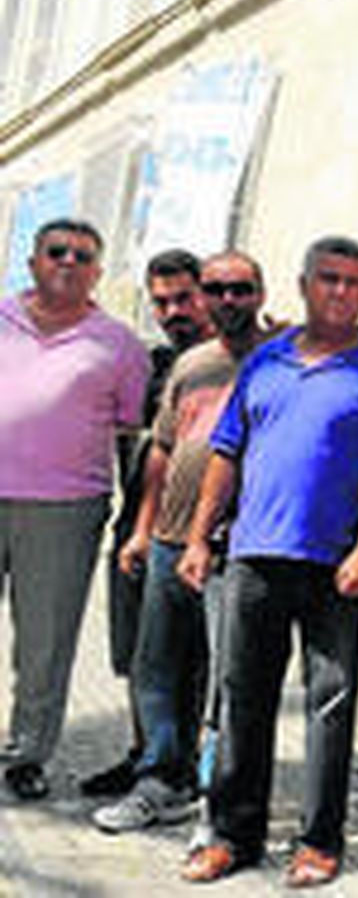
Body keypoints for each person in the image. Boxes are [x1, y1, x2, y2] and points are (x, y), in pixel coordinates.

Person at [175, 235, 358, 887]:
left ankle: (319, 841)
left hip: (335, 565)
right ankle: (233, 834)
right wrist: (201, 538)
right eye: (330, 279)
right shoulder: (266, 363)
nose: (342, 291)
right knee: (242, 699)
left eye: (354, 282)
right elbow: (227, 450)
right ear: (304, 284)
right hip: (255, 555)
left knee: (330, 704)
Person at [92, 250, 275, 833]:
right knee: (155, 667)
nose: (225, 301)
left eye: (237, 289)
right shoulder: (189, 365)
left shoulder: (281, 361)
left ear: (260, 293)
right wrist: (143, 530)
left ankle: (217, 797)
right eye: (216, 290)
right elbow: (162, 452)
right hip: (168, 539)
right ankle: (158, 781)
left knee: (227, 678)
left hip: (234, 546)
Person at [0, 218, 149, 801]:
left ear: (97, 272)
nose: (68, 260)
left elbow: (131, 432)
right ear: (33, 261)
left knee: (45, 642)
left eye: (82, 255)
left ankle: (26, 754)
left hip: (64, 509)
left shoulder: (118, 345)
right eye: (55, 250)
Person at [84, 247, 214, 799]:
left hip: (201, 538)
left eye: (183, 298)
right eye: (161, 302)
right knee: (138, 655)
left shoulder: (238, 358)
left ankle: (177, 770)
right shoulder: (152, 365)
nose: (173, 311)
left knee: (187, 662)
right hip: (137, 528)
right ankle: (145, 755)